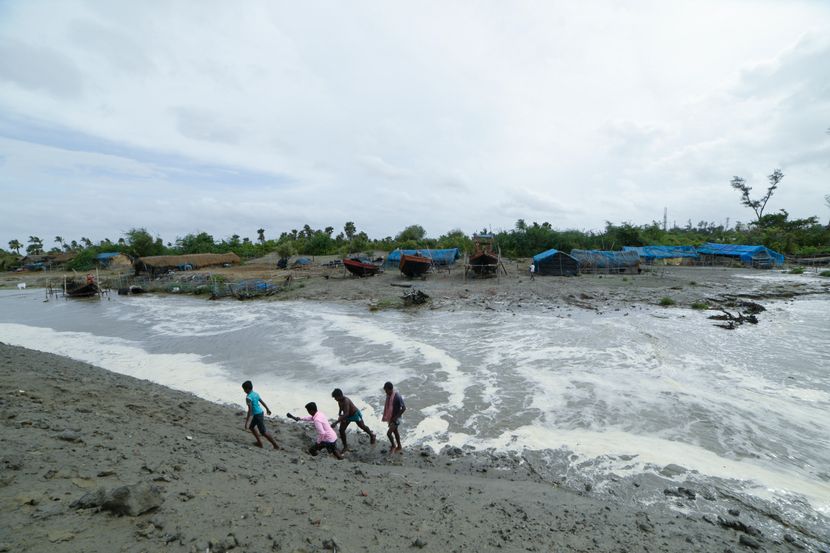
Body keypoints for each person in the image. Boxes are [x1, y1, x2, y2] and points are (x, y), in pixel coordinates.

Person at [241, 380, 279, 449]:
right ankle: (259, 443)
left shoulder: (248, 398)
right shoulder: (255, 394)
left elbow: (250, 410)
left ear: (247, 389)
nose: (244, 391)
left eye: (244, 389)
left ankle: (275, 445)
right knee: (251, 427)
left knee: (263, 432)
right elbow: (262, 402)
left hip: (257, 415)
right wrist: (267, 409)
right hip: (260, 412)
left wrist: (247, 422)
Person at [381, 382, 406, 453]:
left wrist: (395, 417)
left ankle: (393, 445)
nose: (385, 392)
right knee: (395, 432)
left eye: (386, 390)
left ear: (390, 389)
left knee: (389, 433)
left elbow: (404, 408)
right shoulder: (389, 396)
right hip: (392, 417)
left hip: (397, 418)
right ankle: (399, 446)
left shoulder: (397, 397)